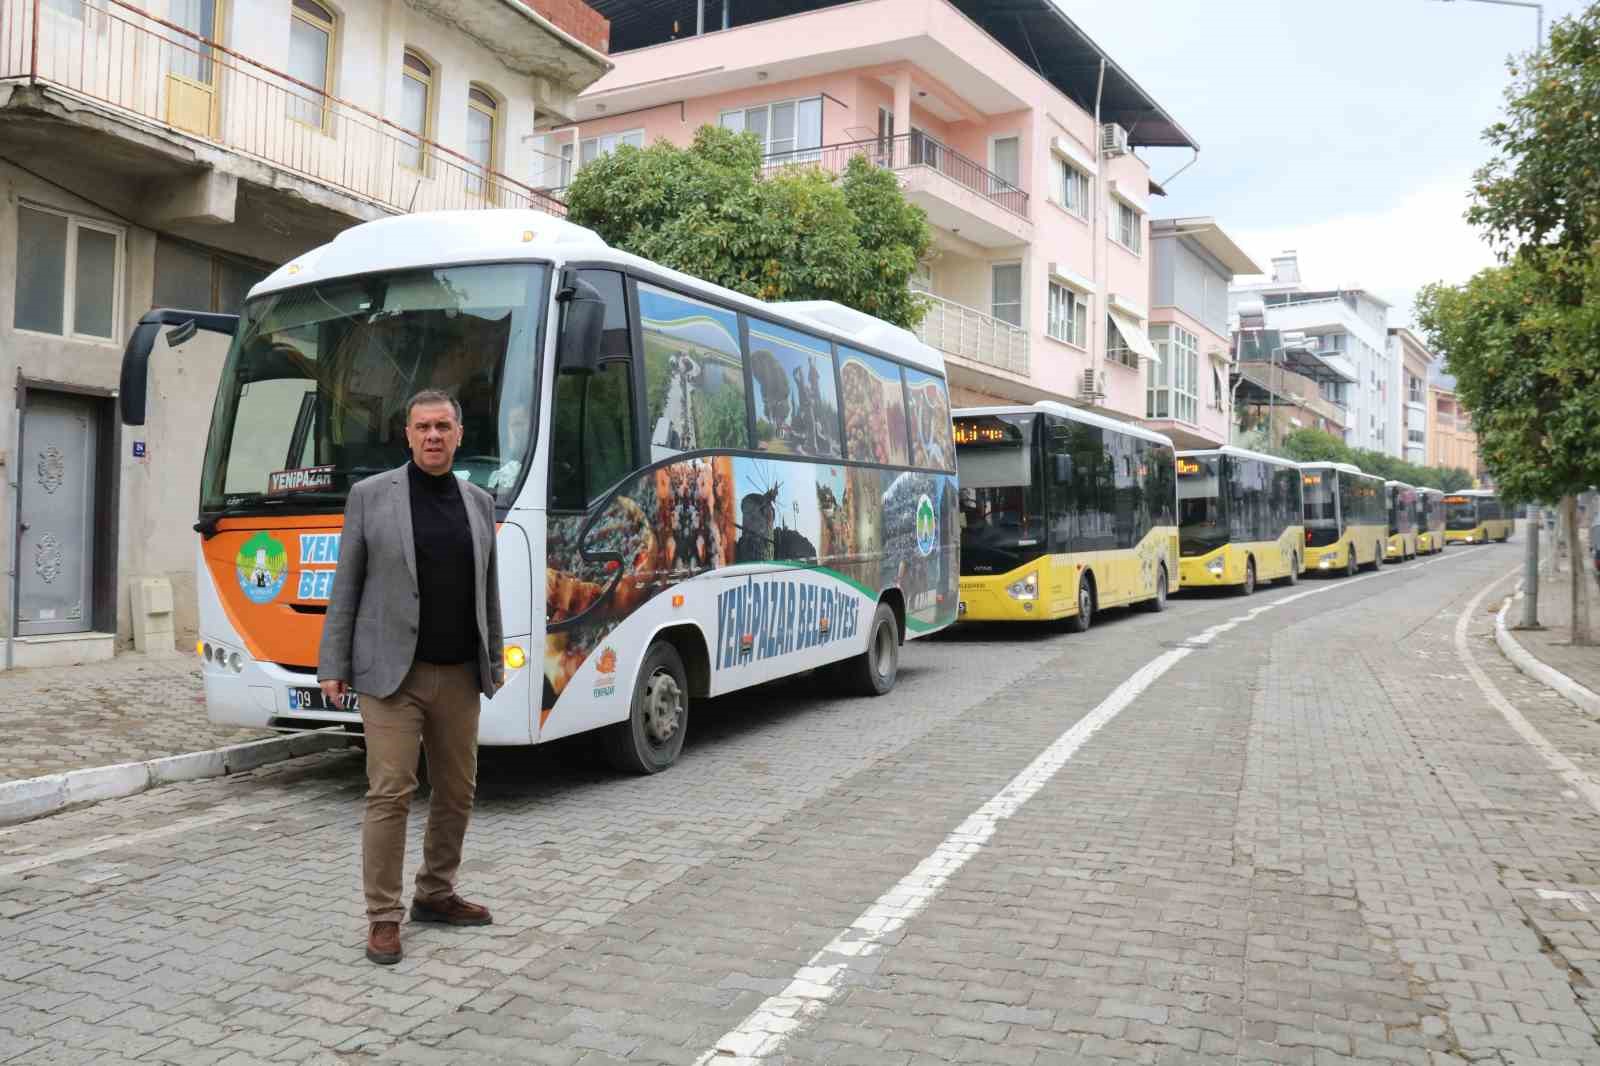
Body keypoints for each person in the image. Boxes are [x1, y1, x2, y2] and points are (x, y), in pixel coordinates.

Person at [318, 389, 504, 966]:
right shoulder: (371, 497)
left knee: (457, 791)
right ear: (407, 434)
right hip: (391, 677)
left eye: (443, 426)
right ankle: (382, 916)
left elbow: (487, 591)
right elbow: (345, 584)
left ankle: (436, 893)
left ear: (459, 433)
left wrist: (491, 660)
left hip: (458, 676)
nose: (433, 436)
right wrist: (333, 664)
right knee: (390, 792)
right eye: (423, 427)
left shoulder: (478, 502)